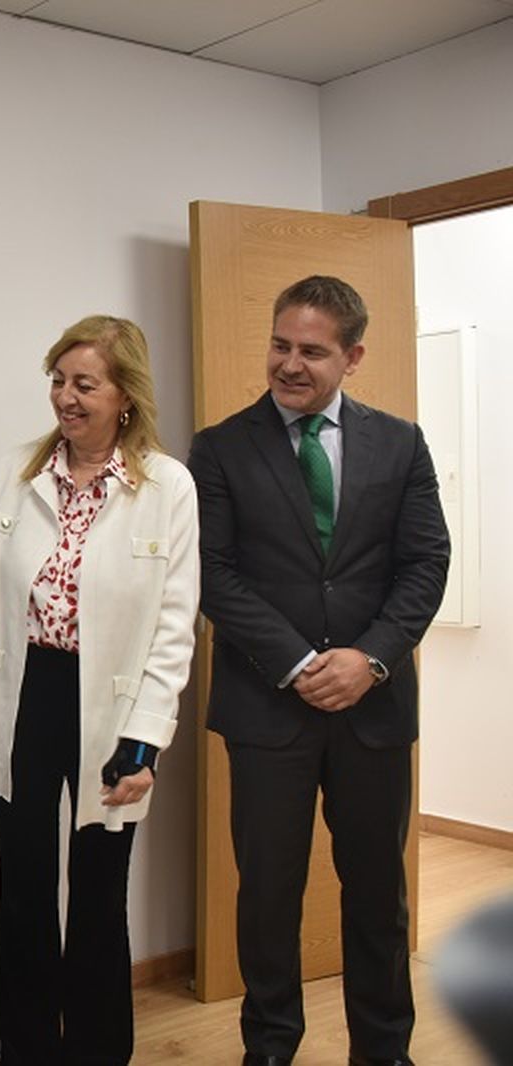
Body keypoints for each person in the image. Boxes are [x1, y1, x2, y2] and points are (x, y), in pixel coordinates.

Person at [0, 315, 199, 1064]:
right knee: (26, 888)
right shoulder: (18, 470)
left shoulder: (166, 486)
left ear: (125, 395)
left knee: (99, 891)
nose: (66, 397)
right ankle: (30, 1049)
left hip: (112, 706)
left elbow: (173, 624)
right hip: (25, 697)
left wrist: (145, 739)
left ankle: (100, 1052)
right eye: (59, 380)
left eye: (85, 384)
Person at [188, 275, 449, 1066]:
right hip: (268, 709)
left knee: (377, 895)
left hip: (372, 710)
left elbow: (425, 563)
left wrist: (370, 658)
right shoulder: (220, 446)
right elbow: (212, 571)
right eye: (280, 345)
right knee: (268, 894)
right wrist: (301, 661)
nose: (289, 364)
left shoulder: (401, 442)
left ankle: (384, 1048)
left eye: (311, 351)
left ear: (353, 356)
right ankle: (269, 1047)